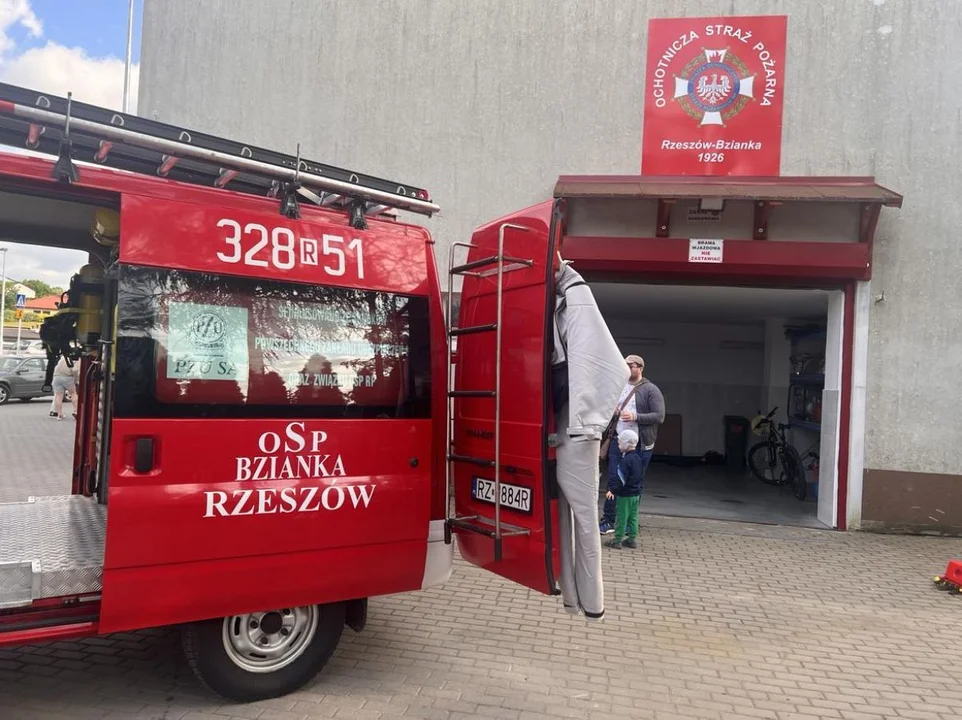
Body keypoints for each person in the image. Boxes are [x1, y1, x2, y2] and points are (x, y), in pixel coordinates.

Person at [600, 354, 665, 534]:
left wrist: (636, 417)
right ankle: (608, 520)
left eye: (632, 366)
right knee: (614, 479)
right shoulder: (619, 386)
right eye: (626, 365)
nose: (628, 368)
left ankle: (630, 524)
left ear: (641, 368)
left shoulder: (651, 390)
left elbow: (659, 416)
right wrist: (614, 411)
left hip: (640, 445)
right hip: (618, 441)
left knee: (634, 483)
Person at [604, 429, 644, 549]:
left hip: (625, 495)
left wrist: (612, 490)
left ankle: (617, 540)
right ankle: (632, 539)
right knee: (633, 517)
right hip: (635, 494)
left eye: (620, 443)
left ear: (626, 444)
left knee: (621, 517)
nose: (618, 445)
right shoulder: (638, 458)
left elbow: (620, 479)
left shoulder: (625, 460)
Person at [48, 355, 76, 421]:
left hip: (57, 377)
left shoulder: (61, 358)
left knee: (58, 396)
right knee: (73, 393)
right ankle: (76, 411)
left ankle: (59, 414)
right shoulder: (73, 359)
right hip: (68, 377)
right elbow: (75, 370)